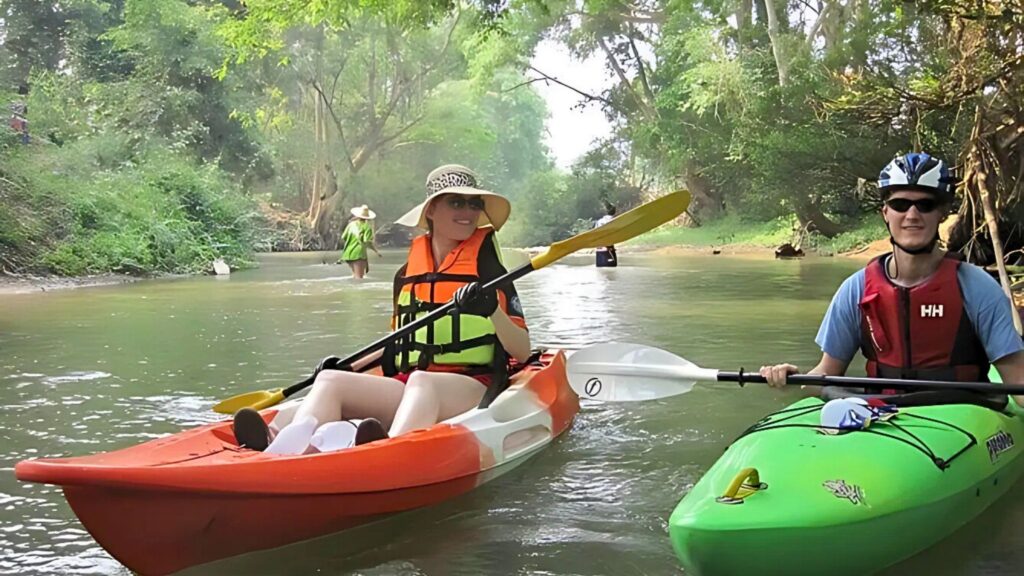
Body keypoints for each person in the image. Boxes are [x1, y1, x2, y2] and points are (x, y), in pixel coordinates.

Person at [234, 164, 531, 454]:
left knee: (421, 381)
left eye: (473, 204)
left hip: (471, 384)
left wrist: (491, 308)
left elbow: (521, 351)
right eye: (456, 202)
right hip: (413, 385)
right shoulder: (405, 274)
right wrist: (349, 366)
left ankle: (382, 453)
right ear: (431, 210)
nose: (467, 212)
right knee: (330, 381)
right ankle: (286, 448)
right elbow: (399, 341)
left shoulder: (491, 271)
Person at [759, 152, 1024, 403]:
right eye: (900, 204)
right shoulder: (856, 289)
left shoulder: (978, 288)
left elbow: (1019, 384)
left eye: (925, 204)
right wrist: (788, 378)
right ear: (885, 212)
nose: (912, 215)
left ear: (942, 213)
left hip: (960, 413)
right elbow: (826, 373)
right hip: (882, 414)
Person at [338, 205, 381, 279]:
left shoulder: (350, 225)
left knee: (355, 276)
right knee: (359, 278)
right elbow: (366, 241)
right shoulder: (366, 226)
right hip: (359, 254)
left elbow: (343, 237)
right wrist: (376, 251)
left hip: (348, 254)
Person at [595, 202, 618, 267]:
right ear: (614, 211)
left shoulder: (599, 221)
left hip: (599, 250)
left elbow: (595, 234)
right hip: (609, 250)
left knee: (600, 274)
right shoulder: (616, 221)